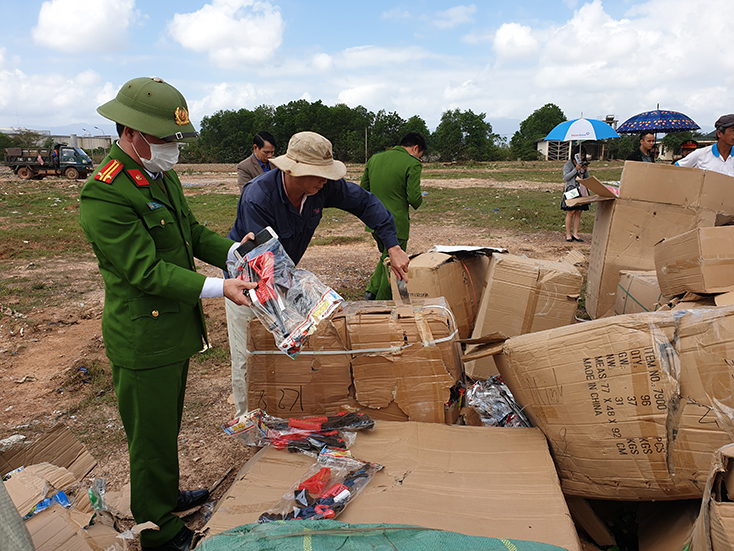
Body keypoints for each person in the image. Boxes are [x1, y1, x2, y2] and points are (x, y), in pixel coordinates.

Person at [78, 77, 255, 551]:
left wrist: (236, 254)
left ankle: (163, 494)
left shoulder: (161, 175)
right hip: (143, 338)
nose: (173, 148)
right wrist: (222, 287)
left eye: (177, 138)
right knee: (150, 437)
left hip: (172, 332)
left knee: (166, 426)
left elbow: (192, 233)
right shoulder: (106, 192)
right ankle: (158, 528)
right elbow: (145, 271)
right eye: (163, 138)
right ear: (131, 133)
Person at [225, 131, 410, 418]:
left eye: (327, 172)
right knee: (251, 357)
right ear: (293, 170)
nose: (326, 179)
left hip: (284, 279)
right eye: (318, 173)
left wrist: (393, 245)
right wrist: (306, 298)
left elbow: (366, 203)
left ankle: (287, 414)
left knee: (292, 352)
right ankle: (250, 423)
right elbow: (265, 264)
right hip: (247, 286)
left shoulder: (322, 187)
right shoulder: (258, 197)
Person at [361, 132, 426, 300]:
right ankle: (381, 303)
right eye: (420, 154)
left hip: (373, 219)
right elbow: (413, 198)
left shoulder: (374, 159)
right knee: (394, 263)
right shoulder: (413, 163)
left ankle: (372, 291)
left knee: (386, 256)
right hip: (396, 222)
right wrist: (420, 200)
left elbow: (363, 189)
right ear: (416, 148)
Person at [561, 146, 590, 242]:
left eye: (583, 154)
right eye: (580, 154)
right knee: (571, 212)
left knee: (579, 212)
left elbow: (586, 178)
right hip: (572, 190)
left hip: (582, 189)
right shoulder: (568, 165)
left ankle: (575, 233)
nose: (581, 156)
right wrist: (576, 169)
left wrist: (584, 170)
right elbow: (566, 177)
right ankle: (568, 234)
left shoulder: (583, 164)